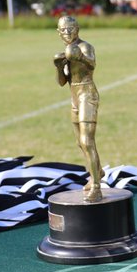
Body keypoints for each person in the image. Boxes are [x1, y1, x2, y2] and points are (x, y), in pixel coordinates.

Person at [53, 16, 102, 202]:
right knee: (79, 142)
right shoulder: (66, 53)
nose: (67, 33)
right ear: (58, 33)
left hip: (87, 94)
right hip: (74, 96)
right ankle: (98, 171)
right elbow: (62, 82)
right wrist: (59, 67)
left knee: (87, 140)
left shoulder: (84, 47)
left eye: (70, 29)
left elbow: (92, 64)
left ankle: (96, 186)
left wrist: (79, 57)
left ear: (78, 29)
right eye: (63, 30)